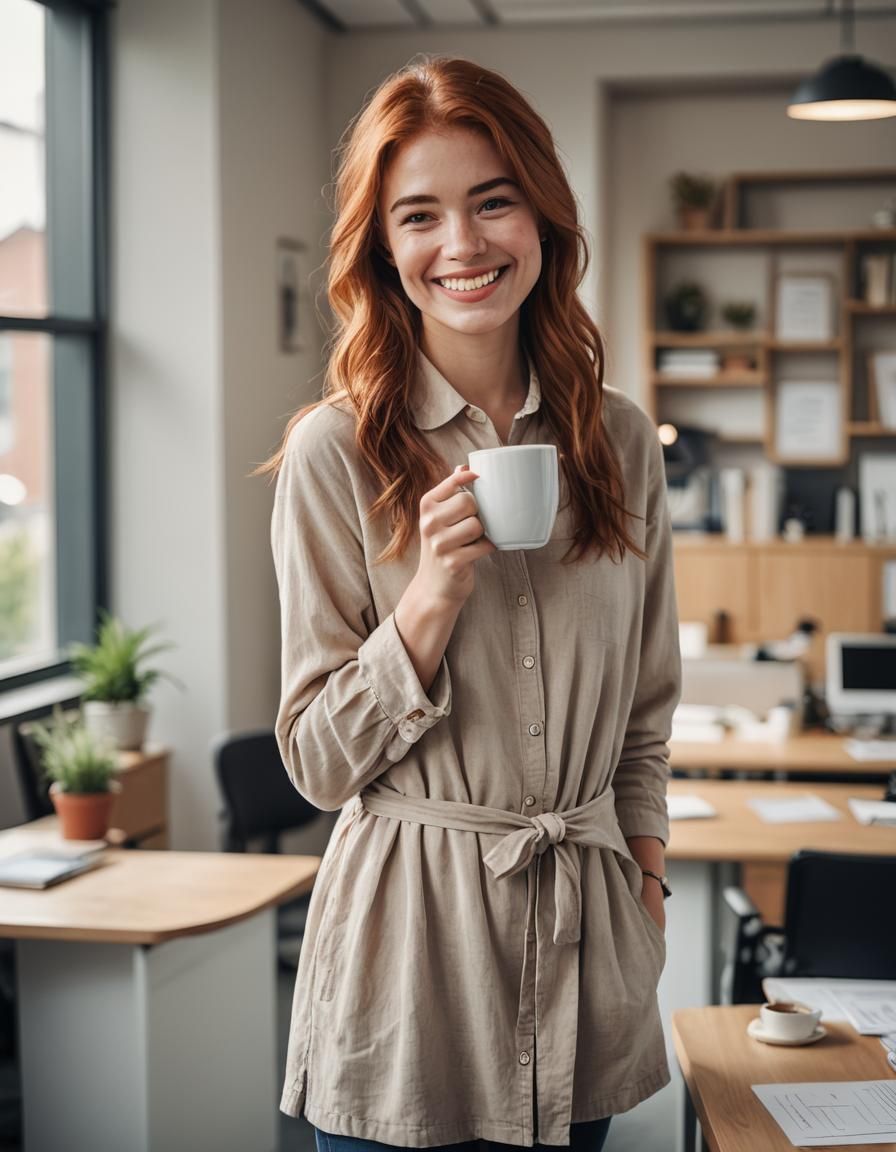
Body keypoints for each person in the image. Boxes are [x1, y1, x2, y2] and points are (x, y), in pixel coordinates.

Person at [261, 55, 681, 1152]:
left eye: (491, 201)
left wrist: (644, 879)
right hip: (406, 956)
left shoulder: (620, 441)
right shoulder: (334, 453)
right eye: (420, 215)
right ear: (384, 250)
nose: (462, 245)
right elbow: (311, 757)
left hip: (582, 941)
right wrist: (427, 607)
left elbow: (644, 707)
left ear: (540, 214)